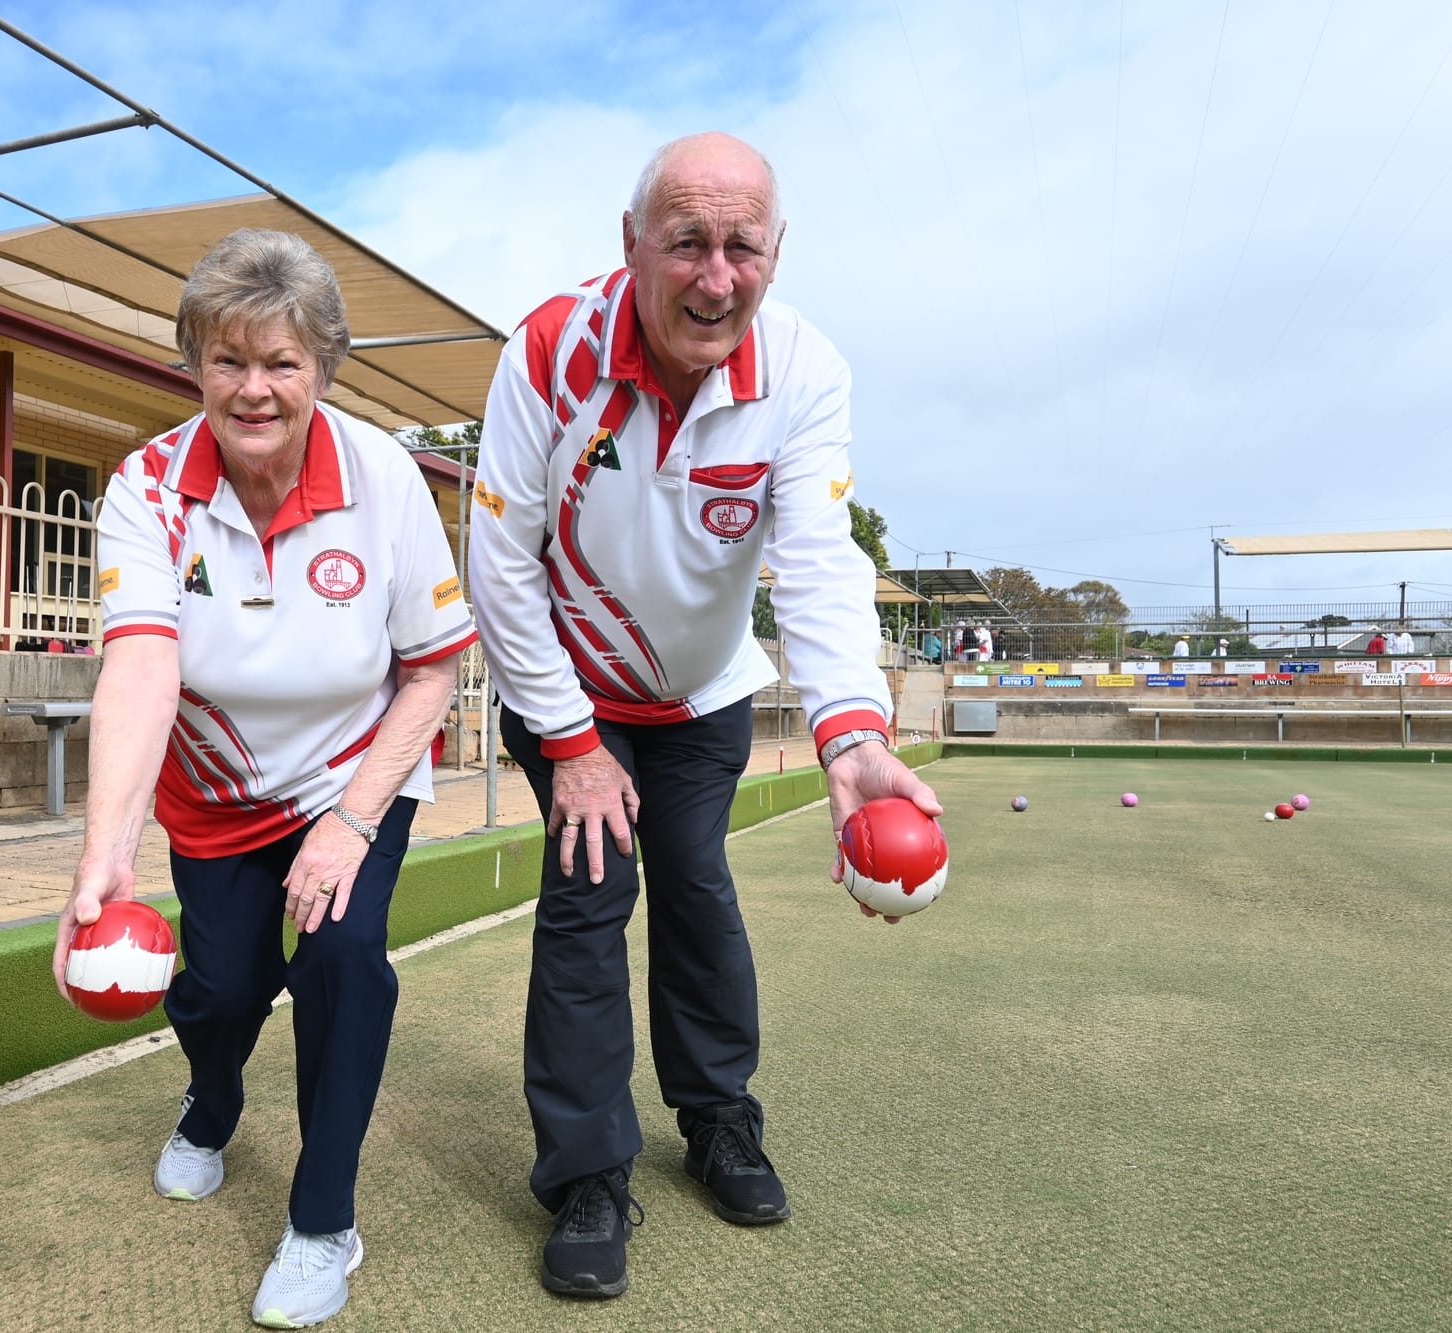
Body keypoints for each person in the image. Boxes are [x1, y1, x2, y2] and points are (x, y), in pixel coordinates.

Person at [468, 132, 942, 1300]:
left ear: (776, 253)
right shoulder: (549, 351)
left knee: (693, 884)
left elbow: (818, 558)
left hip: (702, 692)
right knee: (589, 898)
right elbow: (498, 562)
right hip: (568, 691)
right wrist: (572, 746)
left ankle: (718, 1117)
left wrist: (852, 734)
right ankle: (586, 1172)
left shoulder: (804, 370)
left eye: (743, 247)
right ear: (631, 244)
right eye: (686, 243)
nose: (715, 278)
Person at [53, 229, 476, 1329]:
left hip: (353, 773)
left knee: (341, 955)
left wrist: (351, 820)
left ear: (322, 369)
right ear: (194, 363)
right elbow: (140, 666)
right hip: (215, 793)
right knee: (225, 989)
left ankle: (323, 1220)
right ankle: (212, 1093)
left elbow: (433, 667)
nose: (254, 388)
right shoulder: (146, 486)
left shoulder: (384, 476)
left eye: (281, 362)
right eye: (227, 359)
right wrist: (105, 857)